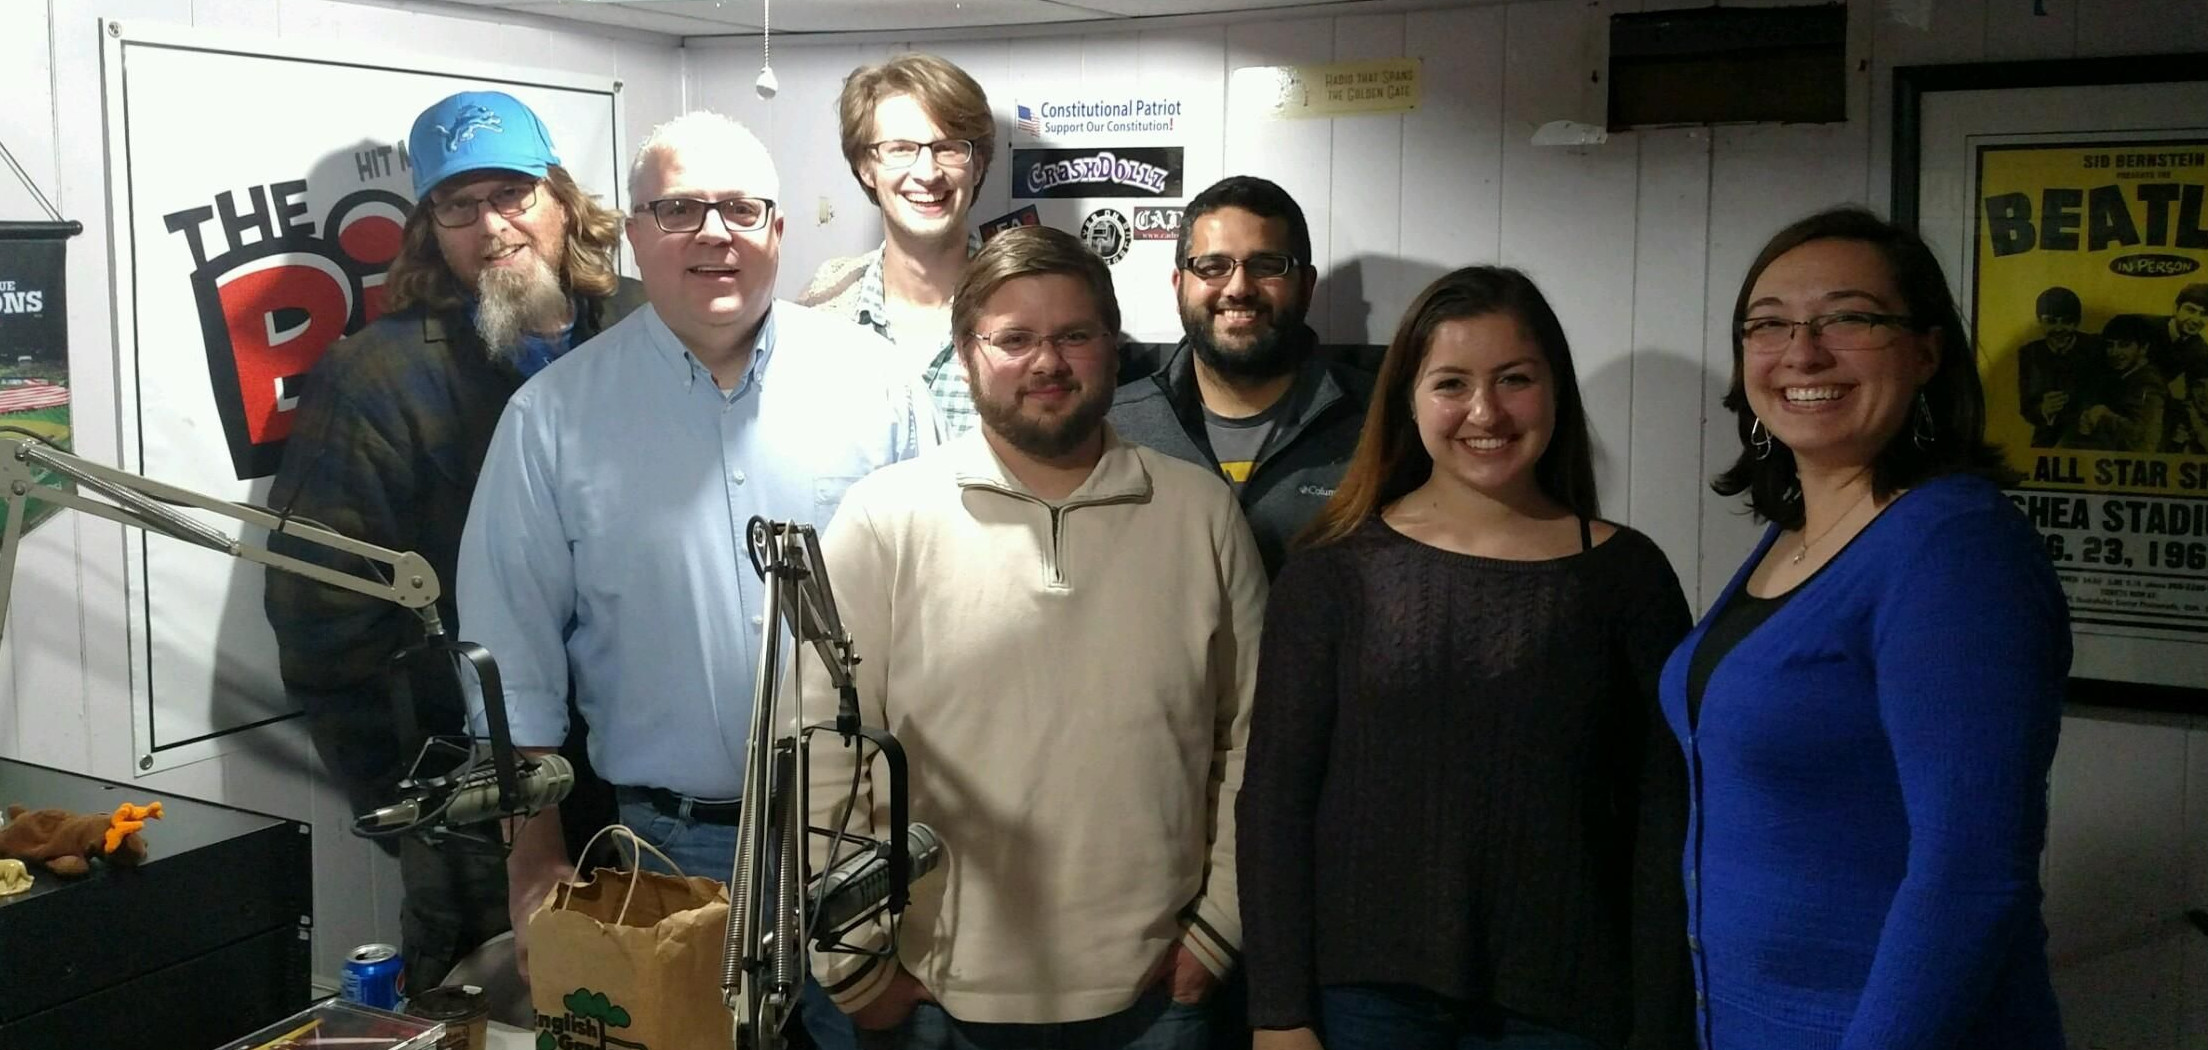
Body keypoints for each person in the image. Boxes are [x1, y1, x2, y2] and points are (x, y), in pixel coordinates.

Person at [455, 112, 937, 1048]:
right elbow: (511, 666)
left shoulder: (881, 391)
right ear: (634, 235)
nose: (715, 233)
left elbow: (944, 613)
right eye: (680, 210)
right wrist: (532, 863)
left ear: (778, 230)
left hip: (864, 837)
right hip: (669, 857)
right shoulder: (551, 420)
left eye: (741, 209)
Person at [798, 225, 1266, 1050]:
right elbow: (821, 753)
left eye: (1074, 335)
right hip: (935, 1002)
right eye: (1014, 339)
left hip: (1156, 999)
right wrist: (855, 966)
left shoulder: (1200, 514)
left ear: (1112, 346)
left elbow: (1254, 738)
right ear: (967, 353)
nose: (1047, 362)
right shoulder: (883, 520)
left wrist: (1217, 931)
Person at [1237, 267, 1692, 1050]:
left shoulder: (1627, 577)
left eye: (1515, 379)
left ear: (1555, 392)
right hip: (1367, 1004)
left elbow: (1666, 817)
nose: (1486, 412)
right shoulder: (1332, 572)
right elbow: (1277, 802)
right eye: (1452, 383)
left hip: (1568, 1004)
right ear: (1408, 400)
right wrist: (1279, 1012)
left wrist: (1659, 1022)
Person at [263, 89, 644, 989]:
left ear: (562, 199)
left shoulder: (649, 325)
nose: (493, 226)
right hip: (483, 814)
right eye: (459, 205)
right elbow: (321, 619)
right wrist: (433, 802)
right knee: (499, 1019)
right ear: (430, 229)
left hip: (653, 788)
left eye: (513, 194)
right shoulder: (375, 378)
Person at [1665, 206, 2068, 1049]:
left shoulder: (1955, 550)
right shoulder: (1797, 534)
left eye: (1849, 318)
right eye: (1769, 324)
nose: (1803, 352)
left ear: (1926, 352)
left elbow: (1972, 876)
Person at [1110, 176, 1370, 578]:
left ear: (1306, 285)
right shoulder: (1115, 427)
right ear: (1179, 286)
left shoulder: (1378, 420)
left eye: (1267, 266)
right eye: (1213, 267)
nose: (1239, 288)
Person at [801, 53, 995, 438]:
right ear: (865, 166)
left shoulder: (1033, 308)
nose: (928, 173)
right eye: (901, 148)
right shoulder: (820, 310)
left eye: (948, 147)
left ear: (977, 165)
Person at [2013, 286, 2102, 448]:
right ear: (2040, 321)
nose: (2059, 328)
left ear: (2077, 322)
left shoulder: (2095, 347)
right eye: (2051, 321)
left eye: (2067, 321)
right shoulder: (2030, 353)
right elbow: (2027, 407)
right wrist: (2043, 410)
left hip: (2092, 439)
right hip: (2048, 439)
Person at [2063, 315, 2166, 453]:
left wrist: (2103, 416)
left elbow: (2145, 444)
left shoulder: (2149, 383)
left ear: (2143, 348)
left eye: (2124, 345)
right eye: (2110, 345)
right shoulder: (2120, 375)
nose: (2114, 352)